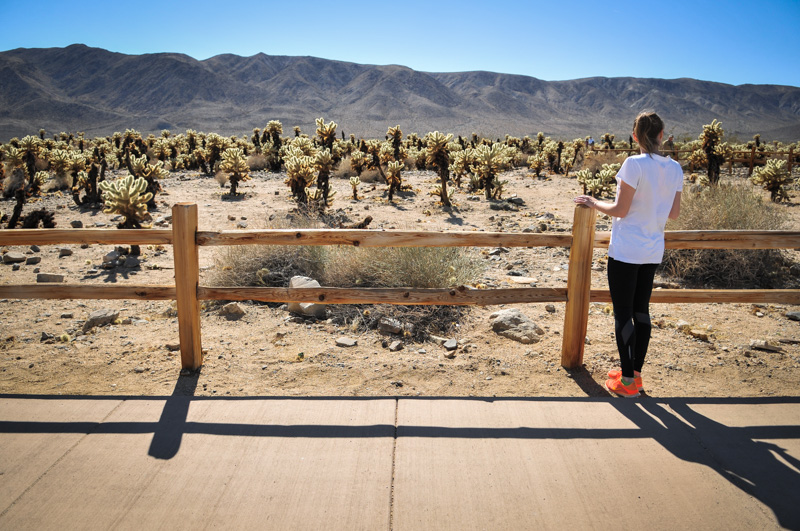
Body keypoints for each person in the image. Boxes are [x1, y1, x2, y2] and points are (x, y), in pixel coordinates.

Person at [573, 111, 683, 397]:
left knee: (623, 314)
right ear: (662, 135)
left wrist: (594, 202)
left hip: (625, 250)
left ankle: (627, 383)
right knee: (641, 311)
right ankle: (635, 375)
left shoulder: (633, 164)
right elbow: (674, 213)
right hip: (652, 250)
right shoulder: (675, 169)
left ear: (635, 137)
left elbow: (620, 210)